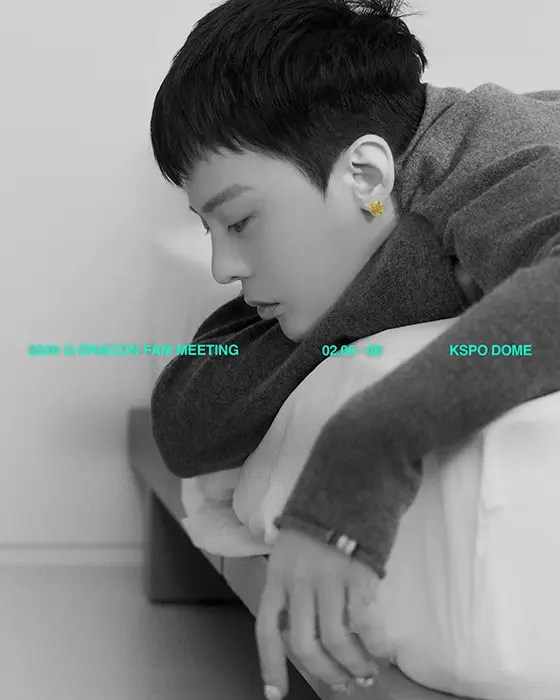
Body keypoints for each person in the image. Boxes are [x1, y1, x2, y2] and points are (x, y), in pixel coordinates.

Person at [149, 0, 560, 696]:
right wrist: (413, 271)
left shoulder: (508, 156)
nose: (222, 267)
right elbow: (189, 419)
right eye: (209, 228)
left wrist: (366, 450)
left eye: (241, 222)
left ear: (366, 177)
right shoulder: (413, 191)